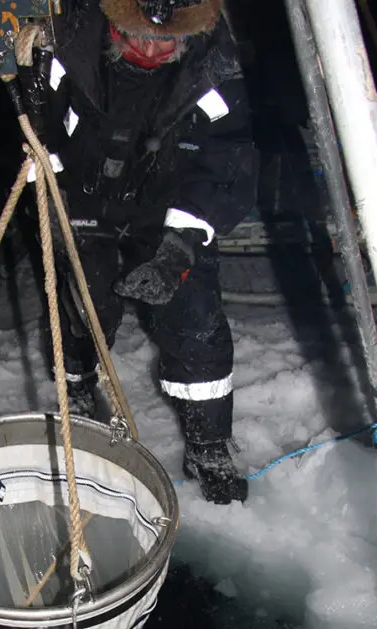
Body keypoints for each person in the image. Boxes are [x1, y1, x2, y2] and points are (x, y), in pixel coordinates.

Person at [29, 0, 258, 504]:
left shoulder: (214, 69)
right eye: (139, 38)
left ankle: (209, 444)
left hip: (167, 209)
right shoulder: (66, 48)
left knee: (194, 316)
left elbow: (229, 161)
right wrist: (41, 163)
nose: (151, 51)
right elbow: (29, 122)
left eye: (165, 42)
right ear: (114, 26)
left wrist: (180, 246)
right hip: (87, 197)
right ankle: (79, 380)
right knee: (86, 301)